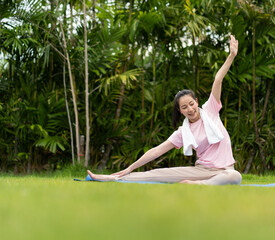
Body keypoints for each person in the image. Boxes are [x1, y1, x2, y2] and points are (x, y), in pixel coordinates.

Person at [87, 35, 242, 185]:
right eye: (184, 107)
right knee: (156, 174)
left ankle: (199, 185)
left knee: (235, 176)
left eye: (191, 104)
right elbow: (156, 151)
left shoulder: (210, 110)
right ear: (180, 111)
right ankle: (113, 178)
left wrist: (231, 56)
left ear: (196, 102)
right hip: (201, 170)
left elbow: (218, 79)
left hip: (225, 171)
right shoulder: (184, 131)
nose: (190, 109)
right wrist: (129, 168)